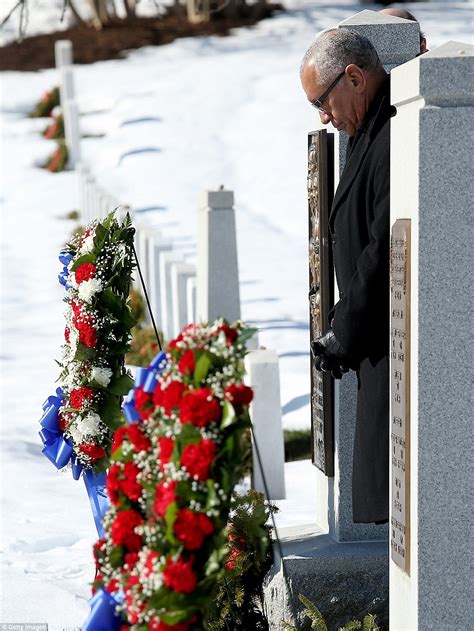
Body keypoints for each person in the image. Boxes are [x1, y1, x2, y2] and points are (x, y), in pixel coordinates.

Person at [300, 28, 394, 524]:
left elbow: (384, 246)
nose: (322, 116)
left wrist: (344, 329)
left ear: (354, 77)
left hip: (384, 339)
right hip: (374, 346)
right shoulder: (367, 130)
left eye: (322, 100)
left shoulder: (391, 130)